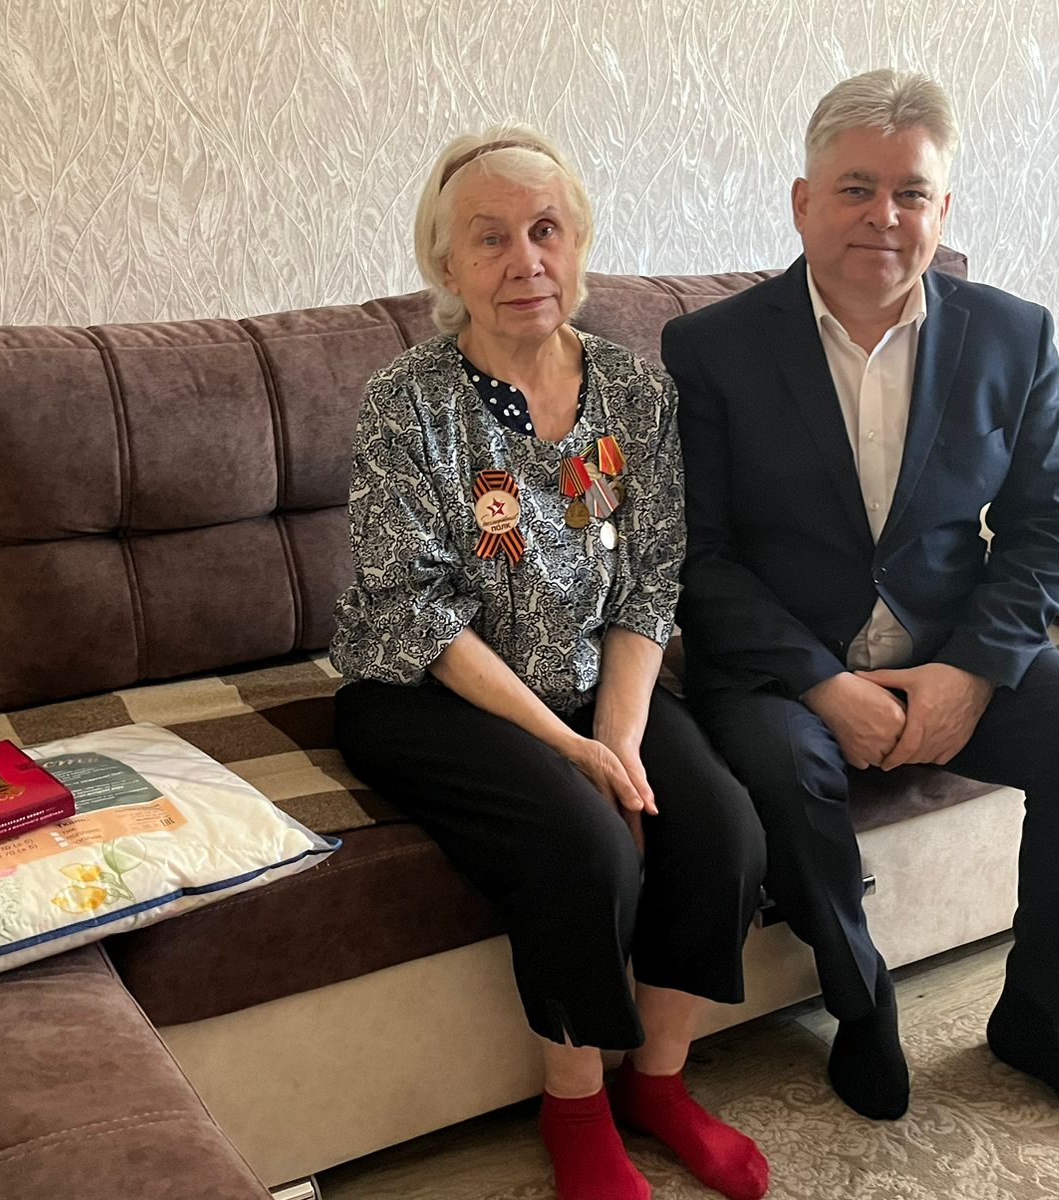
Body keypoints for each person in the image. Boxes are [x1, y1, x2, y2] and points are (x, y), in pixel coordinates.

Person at [664, 70, 1059, 1147]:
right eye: (855, 188)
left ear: (944, 209)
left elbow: (1047, 527)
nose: (881, 217)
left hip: (949, 642)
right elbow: (698, 556)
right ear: (803, 202)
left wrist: (971, 671)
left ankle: (1039, 1021)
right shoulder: (710, 348)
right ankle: (861, 1002)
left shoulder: (1011, 335)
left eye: (910, 192)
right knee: (784, 773)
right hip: (781, 666)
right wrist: (821, 683)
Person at [330, 125, 771, 1200]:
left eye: (546, 229)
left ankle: (656, 1084)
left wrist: (618, 738)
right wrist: (574, 755)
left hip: (590, 677)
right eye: (490, 238)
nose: (524, 260)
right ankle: (574, 1111)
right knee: (587, 847)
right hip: (429, 689)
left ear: (579, 245)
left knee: (721, 830)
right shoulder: (406, 400)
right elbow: (419, 610)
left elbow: (650, 580)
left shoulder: (635, 391)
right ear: (445, 264)